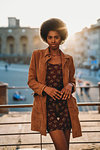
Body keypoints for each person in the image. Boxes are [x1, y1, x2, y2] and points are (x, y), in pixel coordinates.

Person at [28, 18, 82, 150]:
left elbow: (72, 81)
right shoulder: (37, 55)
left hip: (65, 107)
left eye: (56, 37)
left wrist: (70, 85)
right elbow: (31, 81)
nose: (53, 40)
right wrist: (46, 89)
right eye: (50, 37)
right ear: (45, 38)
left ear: (61, 38)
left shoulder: (68, 59)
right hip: (47, 107)